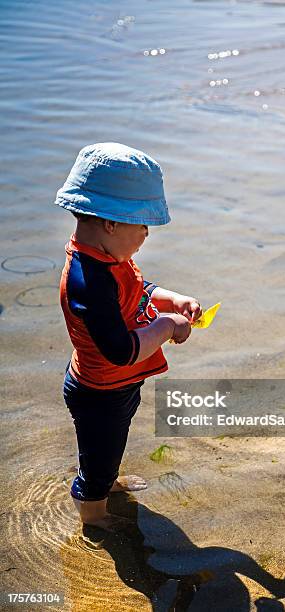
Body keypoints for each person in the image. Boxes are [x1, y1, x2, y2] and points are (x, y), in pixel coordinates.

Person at [56, 142, 201, 529]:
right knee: (99, 457)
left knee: (108, 447)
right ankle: (93, 517)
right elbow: (121, 351)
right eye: (143, 226)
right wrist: (167, 326)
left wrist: (173, 300)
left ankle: (106, 478)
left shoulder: (108, 259)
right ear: (111, 223)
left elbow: (137, 288)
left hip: (118, 386)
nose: (146, 236)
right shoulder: (87, 281)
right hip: (100, 389)